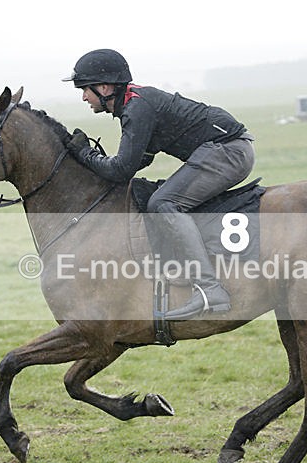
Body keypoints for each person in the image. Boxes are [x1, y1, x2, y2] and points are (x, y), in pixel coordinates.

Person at [63, 49, 255, 320]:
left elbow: (121, 169)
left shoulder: (137, 107)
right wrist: (98, 166)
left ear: (104, 87)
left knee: (164, 202)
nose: (83, 97)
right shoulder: (134, 103)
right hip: (226, 148)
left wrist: (86, 155)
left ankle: (210, 289)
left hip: (227, 151)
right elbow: (139, 161)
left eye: (84, 89)